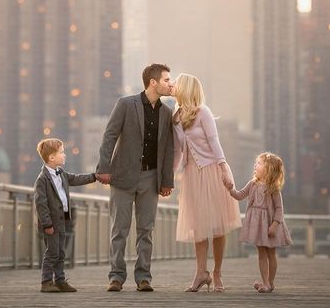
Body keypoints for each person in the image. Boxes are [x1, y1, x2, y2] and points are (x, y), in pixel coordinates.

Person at [96, 63, 174, 292]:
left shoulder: (167, 112)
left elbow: (169, 149)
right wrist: (104, 168)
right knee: (119, 229)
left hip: (151, 178)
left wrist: (167, 180)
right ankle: (116, 277)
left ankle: (143, 278)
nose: (170, 84)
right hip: (122, 176)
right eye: (167, 80)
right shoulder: (125, 104)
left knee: (146, 230)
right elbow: (109, 136)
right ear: (153, 82)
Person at [172, 73, 241, 293]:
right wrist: (170, 177)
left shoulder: (203, 112)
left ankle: (217, 272)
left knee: (218, 226)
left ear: (186, 88)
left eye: (176, 84)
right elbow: (178, 152)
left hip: (212, 171)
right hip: (191, 175)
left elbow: (214, 142)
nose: (173, 86)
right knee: (198, 226)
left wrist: (224, 169)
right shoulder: (175, 116)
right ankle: (201, 273)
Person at [223, 151, 293, 293]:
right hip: (257, 225)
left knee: (271, 253)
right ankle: (265, 282)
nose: (255, 165)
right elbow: (240, 195)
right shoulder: (253, 184)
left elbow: (279, 209)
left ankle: (270, 283)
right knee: (261, 253)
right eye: (256, 163)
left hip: (269, 225)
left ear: (269, 168)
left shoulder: (273, 188)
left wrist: (275, 224)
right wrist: (231, 189)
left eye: (259, 163)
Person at [34, 138, 97, 293]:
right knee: (52, 252)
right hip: (51, 224)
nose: (65, 155)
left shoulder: (61, 174)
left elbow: (76, 179)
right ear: (51, 157)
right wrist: (47, 224)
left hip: (62, 220)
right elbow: (41, 204)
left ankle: (60, 280)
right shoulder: (42, 179)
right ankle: (46, 281)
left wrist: (94, 176)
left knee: (61, 252)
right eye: (62, 152)